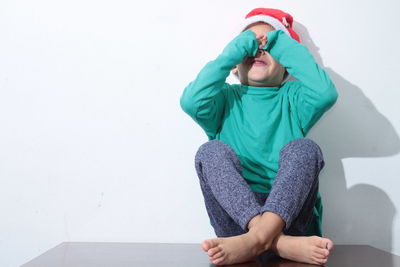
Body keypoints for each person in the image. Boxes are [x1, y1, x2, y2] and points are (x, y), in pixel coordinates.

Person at [180, 7, 338, 266]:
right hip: (237, 222)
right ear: (233, 66)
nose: (258, 50)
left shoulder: (294, 99)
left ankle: (260, 238)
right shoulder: (224, 100)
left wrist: (281, 43)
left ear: (286, 66)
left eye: (268, 44)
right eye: (250, 46)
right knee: (209, 152)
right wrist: (236, 49)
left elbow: (325, 94)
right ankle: (272, 241)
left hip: (291, 217)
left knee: (306, 148)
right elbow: (191, 100)